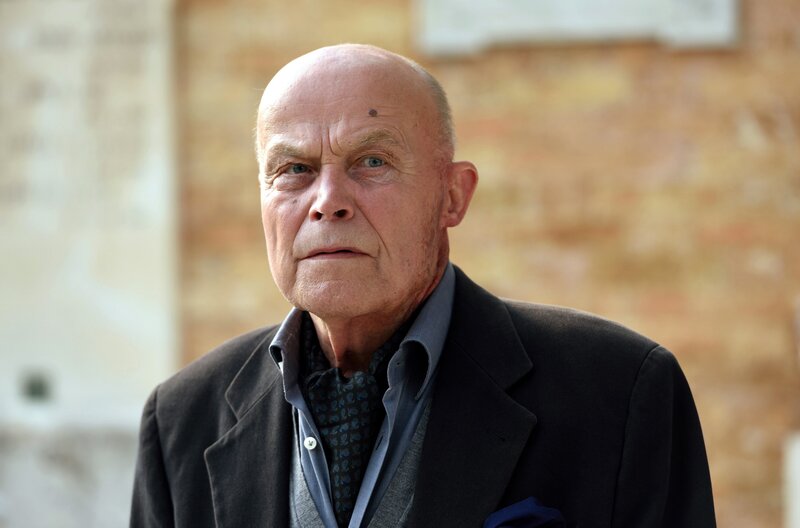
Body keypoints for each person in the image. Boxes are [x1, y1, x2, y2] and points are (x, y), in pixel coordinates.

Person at [130, 44, 715, 528]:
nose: (327, 202)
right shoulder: (182, 420)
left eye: (372, 162)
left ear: (453, 196)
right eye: (294, 170)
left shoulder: (619, 392)